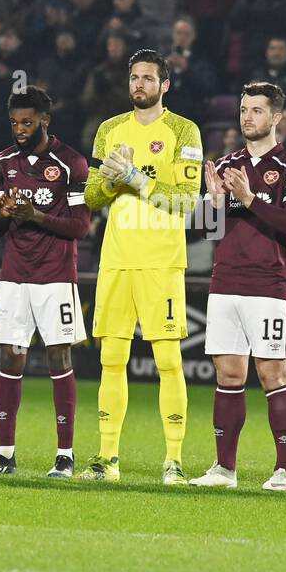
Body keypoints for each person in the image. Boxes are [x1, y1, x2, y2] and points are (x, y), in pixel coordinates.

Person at [81, 50, 203, 484]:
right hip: (116, 258)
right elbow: (91, 197)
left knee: (168, 359)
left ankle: (173, 461)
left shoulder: (183, 130)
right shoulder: (109, 130)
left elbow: (186, 200)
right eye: (134, 77)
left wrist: (137, 178)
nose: (139, 85)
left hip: (161, 261)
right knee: (111, 358)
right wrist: (112, 180)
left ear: (164, 85)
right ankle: (106, 459)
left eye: (148, 78)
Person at [191, 81, 286, 490]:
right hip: (225, 282)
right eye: (244, 110)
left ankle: (284, 469)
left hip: (269, 285)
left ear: (276, 118)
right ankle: (224, 469)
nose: (247, 117)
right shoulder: (225, 165)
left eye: (256, 110)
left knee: (273, 373)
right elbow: (205, 230)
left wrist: (250, 197)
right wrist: (213, 204)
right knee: (227, 375)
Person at [0, 87, 90, 478]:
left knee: (58, 358)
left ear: (45, 120)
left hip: (56, 276)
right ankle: (4, 454)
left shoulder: (71, 162)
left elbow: (81, 227)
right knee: (10, 358)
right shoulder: (3, 162)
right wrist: (7, 213)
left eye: (27, 122)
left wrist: (36, 215)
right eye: (14, 123)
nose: (20, 130)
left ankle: (65, 455)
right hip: (14, 277)